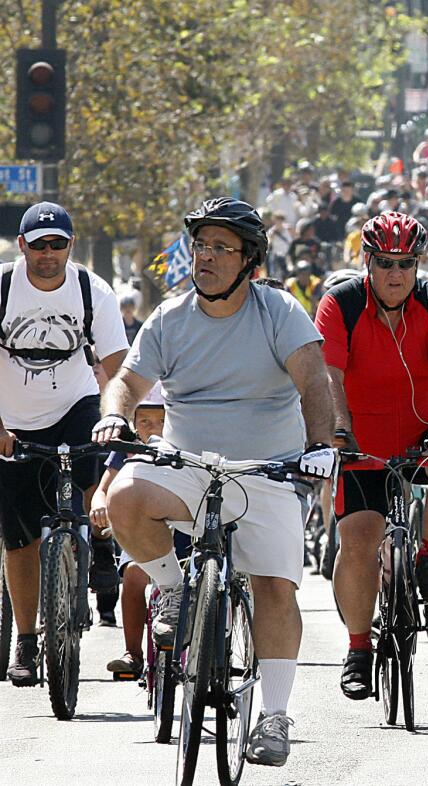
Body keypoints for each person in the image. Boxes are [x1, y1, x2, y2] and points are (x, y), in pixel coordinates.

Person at [93, 197, 338, 766]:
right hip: (186, 466)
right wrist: (114, 414)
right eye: (199, 245)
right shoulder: (170, 316)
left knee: (275, 587)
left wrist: (321, 447)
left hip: (266, 471)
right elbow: (126, 383)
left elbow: (314, 383)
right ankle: (174, 589)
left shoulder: (279, 311)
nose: (205, 257)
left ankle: (274, 715)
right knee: (127, 494)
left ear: (249, 261)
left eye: (220, 248)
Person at [313, 211, 428, 701]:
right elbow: (330, 376)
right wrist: (340, 428)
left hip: (425, 431)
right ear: (367, 261)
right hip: (362, 435)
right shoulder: (340, 303)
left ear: (419, 263)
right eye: (384, 262)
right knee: (358, 541)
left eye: (406, 263)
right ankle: (358, 649)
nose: (396, 274)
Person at [0, 202, 129, 686]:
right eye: (39, 245)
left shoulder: (93, 291)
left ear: (71, 246)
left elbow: (117, 367)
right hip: (12, 419)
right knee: (21, 542)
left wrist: (120, 417)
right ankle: (27, 642)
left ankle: (98, 549)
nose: (48, 254)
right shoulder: (3, 288)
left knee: (97, 486)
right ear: (22, 246)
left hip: (75, 405)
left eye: (57, 244)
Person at [89, 383, 187, 678]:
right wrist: (100, 503)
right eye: (145, 421)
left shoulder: (186, 446)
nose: (154, 428)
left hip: (183, 532)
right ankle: (132, 653)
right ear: (133, 423)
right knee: (133, 574)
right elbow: (102, 489)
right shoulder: (129, 450)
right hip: (144, 531)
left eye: (162, 421)